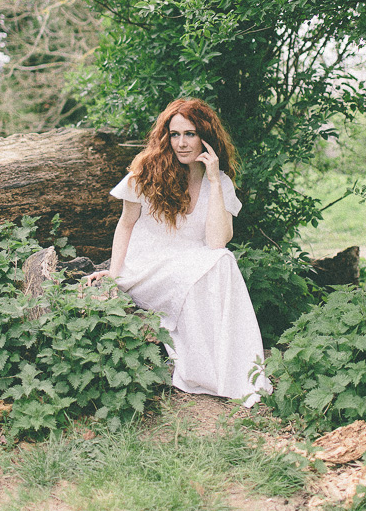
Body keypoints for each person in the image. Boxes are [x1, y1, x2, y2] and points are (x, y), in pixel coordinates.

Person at [85, 98, 269, 407]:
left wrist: (212, 178)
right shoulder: (145, 172)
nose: (181, 143)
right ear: (165, 137)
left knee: (223, 260)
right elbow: (126, 224)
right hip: (147, 266)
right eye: (174, 134)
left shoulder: (219, 181)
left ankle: (233, 370)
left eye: (190, 134)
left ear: (206, 137)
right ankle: (210, 371)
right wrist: (115, 274)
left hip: (192, 261)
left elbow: (216, 242)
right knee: (217, 264)